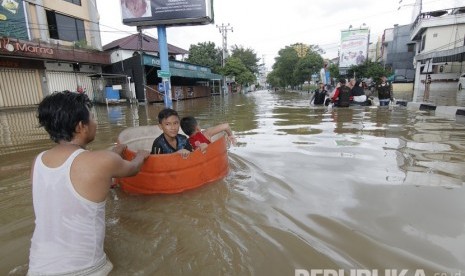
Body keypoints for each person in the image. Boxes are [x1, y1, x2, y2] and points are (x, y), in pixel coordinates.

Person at [28, 91, 150, 275]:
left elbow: (87, 167)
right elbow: (132, 168)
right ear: (80, 127)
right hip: (85, 269)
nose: (95, 122)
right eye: (92, 118)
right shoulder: (102, 161)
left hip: (37, 268)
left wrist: (114, 152)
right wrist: (141, 154)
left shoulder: (37, 161)